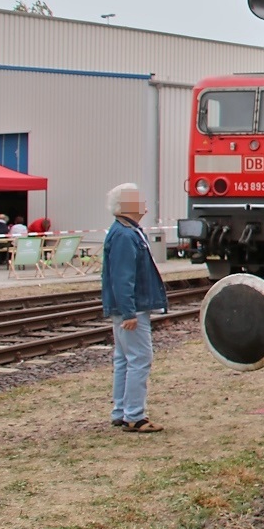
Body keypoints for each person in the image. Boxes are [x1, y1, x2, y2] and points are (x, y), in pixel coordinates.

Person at [102, 183, 168, 433]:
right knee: (140, 358)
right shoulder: (125, 235)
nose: (143, 202)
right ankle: (134, 416)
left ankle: (121, 411)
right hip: (133, 308)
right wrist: (129, 312)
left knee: (123, 359)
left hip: (131, 307)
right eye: (137, 199)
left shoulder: (128, 231)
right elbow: (123, 277)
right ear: (126, 205)